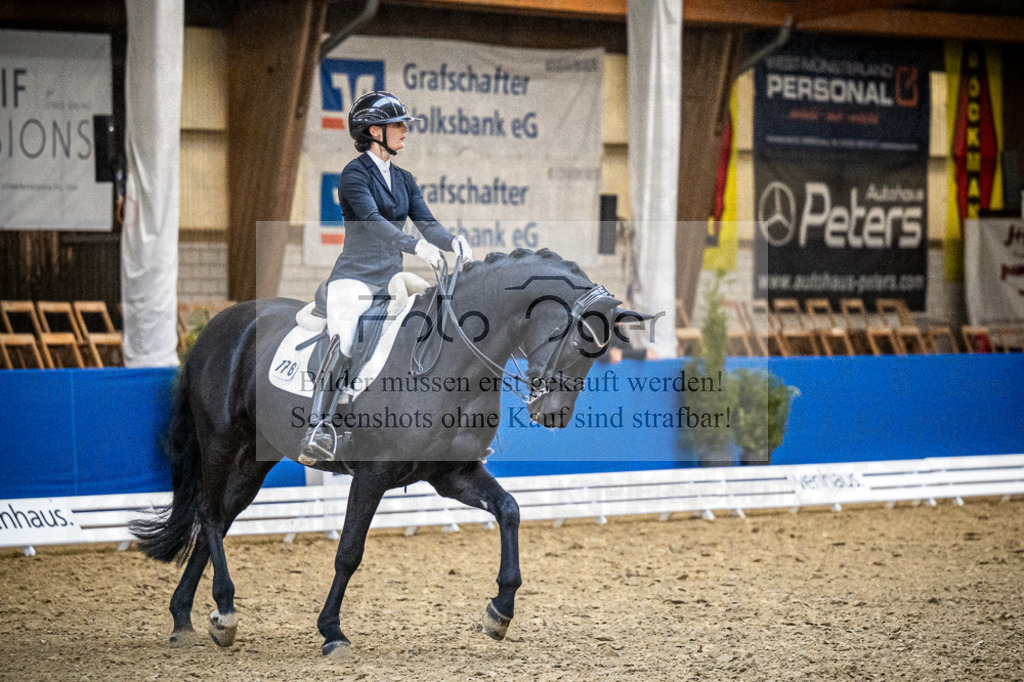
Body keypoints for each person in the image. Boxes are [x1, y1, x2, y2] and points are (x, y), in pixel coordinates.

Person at [299, 90, 473, 465]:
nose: (404, 131)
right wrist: (415, 248)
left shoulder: (405, 179)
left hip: (392, 279)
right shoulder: (353, 174)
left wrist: (451, 241)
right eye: (397, 125)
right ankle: (321, 425)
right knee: (345, 337)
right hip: (355, 277)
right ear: (374, 131)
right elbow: (374, 224)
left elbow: (426, 222)